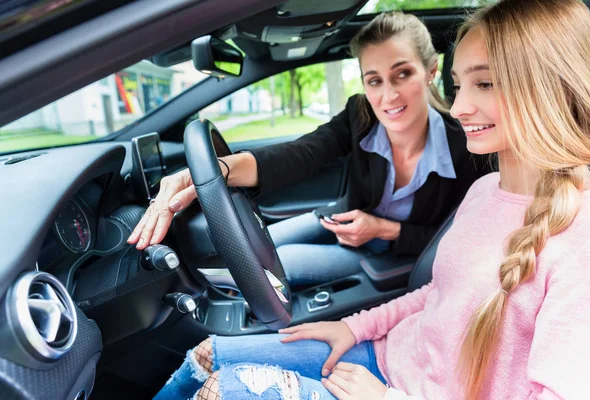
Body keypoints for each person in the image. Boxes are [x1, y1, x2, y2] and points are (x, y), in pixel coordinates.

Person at [153, 0, 590, 398]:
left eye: (484, 84)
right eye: (460, 85)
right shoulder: (487, 188)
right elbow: (438, 291)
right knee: (209, 356)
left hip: (394, 371)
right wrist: (354, 326)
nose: (460, 107)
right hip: (390, 349)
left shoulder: (573, 227)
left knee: (221, 389)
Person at [128, 12, 490, 288]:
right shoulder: (359, 113)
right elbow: (300, 154)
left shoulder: (468, 148)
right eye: (374, 80)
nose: (388, 96)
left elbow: (457, 239)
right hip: (338, 219)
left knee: (274, 266)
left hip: (391, 254)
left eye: (403, 74)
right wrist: (208, 173)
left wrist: (383, 229)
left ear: (430, 71)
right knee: (254, 250)